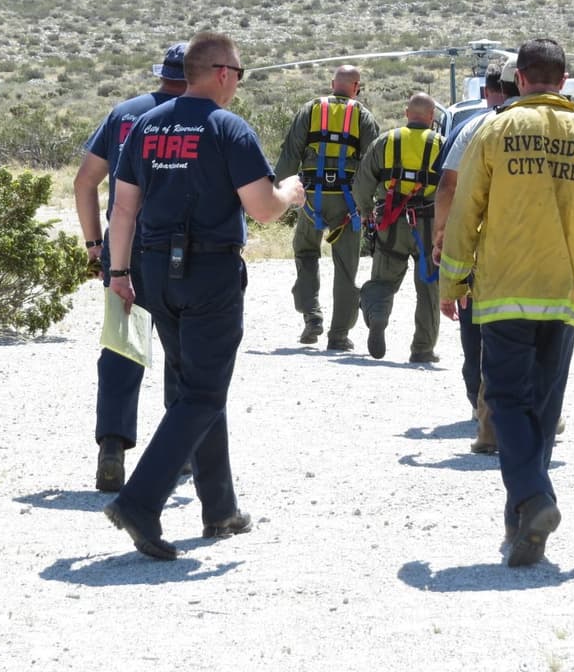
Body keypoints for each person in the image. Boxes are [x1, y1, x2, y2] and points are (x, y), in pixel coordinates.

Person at [102, 31, 305, 560]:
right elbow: (263, 208)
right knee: (204, 393)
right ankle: (139, 502)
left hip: (152, 270)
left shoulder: (146, 126)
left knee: (193, 386)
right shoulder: (227, 127)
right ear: (220, 73)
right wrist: (290, 192)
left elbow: (123, 208)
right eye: (238, 72)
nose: (237, 82)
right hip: (209, 270)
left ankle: (220, 509)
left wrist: (118, 271)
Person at [438, 38, 574, 568]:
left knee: (506, 401)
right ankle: (522, 525)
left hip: (504, 290)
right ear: (563, 80)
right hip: (564, 293)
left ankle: (534, 499)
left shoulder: (493, 130)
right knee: (544, 408)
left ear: (521, 79)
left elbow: (465, 211)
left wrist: (451, 281)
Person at [73, 42, 188, 492]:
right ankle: (179, 452)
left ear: (162, 74)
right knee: (183, 350)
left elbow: (84, 182)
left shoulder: (124, 114)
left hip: (126, 250)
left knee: (123, 347)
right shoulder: (203, 119)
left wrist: (93, 245)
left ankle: (113, 446)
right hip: (183, 253)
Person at [431, 59, 517, 454]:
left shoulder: (473, 128)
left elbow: (448, 187)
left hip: (481, 244)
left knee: (476, 328)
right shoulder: (563, 126)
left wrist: (441, 236)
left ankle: (482, 409)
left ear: (489, 91)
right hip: (537, 246)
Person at [275, 65, 381, 352]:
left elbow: (290, 154)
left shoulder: (310, 110)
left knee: (305, 251)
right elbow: (374, 164)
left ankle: (312, 316)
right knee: (346, 268)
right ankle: (338, 335)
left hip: (312, 199)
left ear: (333, 83)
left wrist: (277, 195)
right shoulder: (363, 116)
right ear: (356, 87)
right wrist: (369, 205)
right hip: (348, 204)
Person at [353, 92, 444, 363]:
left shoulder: (386, 141)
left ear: (406, 113)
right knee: (428, 288)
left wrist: (367, 214)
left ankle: (378, 314)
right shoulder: (442, 144)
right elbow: (454, 186)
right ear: (432, 117)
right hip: (429, 226)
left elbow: (362, 185)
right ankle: (422, 349)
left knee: (383, 281)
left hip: (390, 224)